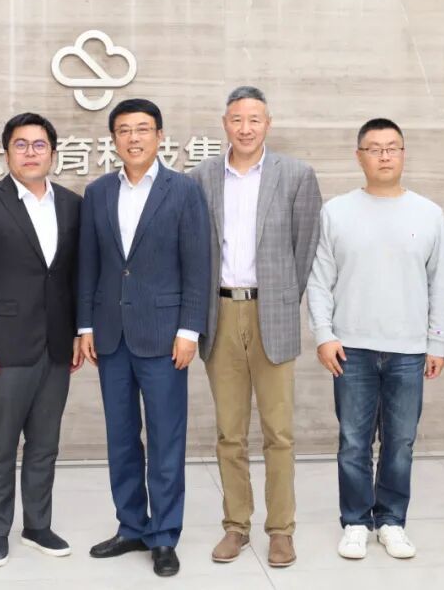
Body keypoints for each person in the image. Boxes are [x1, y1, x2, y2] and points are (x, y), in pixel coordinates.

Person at [307, 118, 444, 561]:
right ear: (359, 157)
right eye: (374, 148)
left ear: (404, 154)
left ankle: (391, 522)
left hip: (409, 349)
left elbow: (440, 283)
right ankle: (355, 521)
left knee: (400, 442)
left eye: (393, 147)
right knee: (353, 441)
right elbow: (319, 279)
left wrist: (438, 342)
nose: (384, 155)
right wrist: (324, 334)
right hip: (350, 348)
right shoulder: (336, 211)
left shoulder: (429, 213)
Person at [76, 98, 211, 577]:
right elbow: (89, 264)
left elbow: (198, 265)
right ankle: (131, 525)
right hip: (111, 336)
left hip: (165, 337)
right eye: (124, 130)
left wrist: (189, 330)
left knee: (166, 439)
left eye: (143, 129)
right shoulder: (98, 192)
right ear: (113, 139)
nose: (133, 138)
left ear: (159, 136)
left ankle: (164, 534)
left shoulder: (184, 190)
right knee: (121, 438)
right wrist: (85, 326)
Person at [188, 86, 321, 568]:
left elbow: (305, 247)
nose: (245, 129)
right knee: (229, 432)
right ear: (225, 123)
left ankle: (281, 530)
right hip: (220, 313)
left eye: (254, 120)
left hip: (272, 312)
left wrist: (283, 299)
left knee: (278, 432)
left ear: (268, 124)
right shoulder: (200, 177)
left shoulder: (296, 175)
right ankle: (236, 525)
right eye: (237, 120)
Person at [0, 113, 82, 567]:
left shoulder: (72, 204)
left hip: (57, 345)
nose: (31, 152)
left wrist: (79, 331)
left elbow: (76, 276)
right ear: (7, 152)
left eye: (39, 144)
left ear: (53, 152)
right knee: (1, 444)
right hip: (4, 346)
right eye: (21, 144)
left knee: (45, 444)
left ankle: (37, 525)